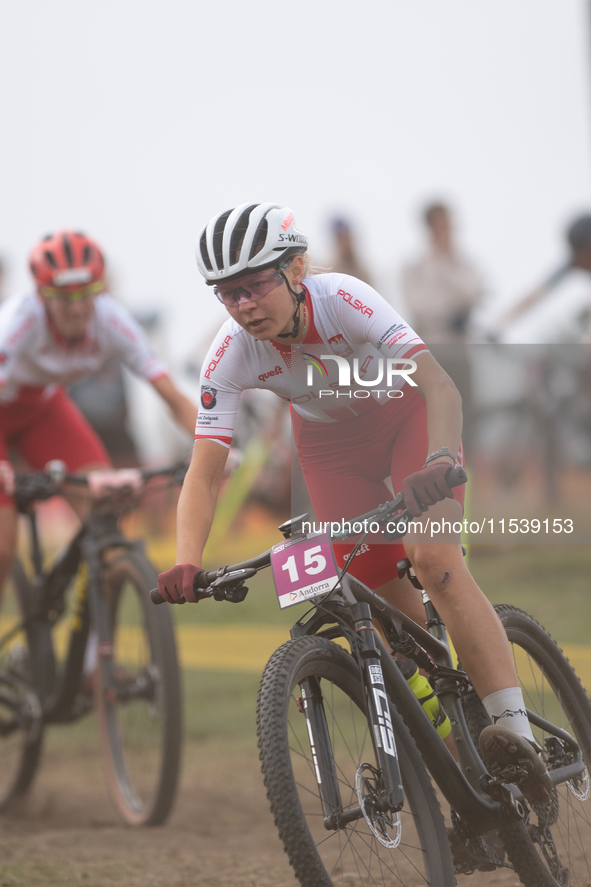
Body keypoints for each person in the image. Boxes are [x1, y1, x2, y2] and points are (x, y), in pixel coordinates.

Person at [158, 202, 552, 805]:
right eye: (227, 295)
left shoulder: (343, 297)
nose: (244, 307)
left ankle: (519, 740)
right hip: (332, 451)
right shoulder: (229, 355)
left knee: (434, 560)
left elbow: (439, 385)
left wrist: (441, 460)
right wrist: (187, 558)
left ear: (295, 270)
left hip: (409, 422)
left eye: (256, 286)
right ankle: (472, 793)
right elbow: (205, 471)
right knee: (386, 619)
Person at [0, 230, 197, 593]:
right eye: (64, 296)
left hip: (43, 411)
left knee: (105, 515)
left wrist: (212, 447)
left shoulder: (112, 319)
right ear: (43, 294)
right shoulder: (17, 322)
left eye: (87, 293)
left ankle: (95, 644)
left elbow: (170, 394)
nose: (77, 307)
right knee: (3, 547)